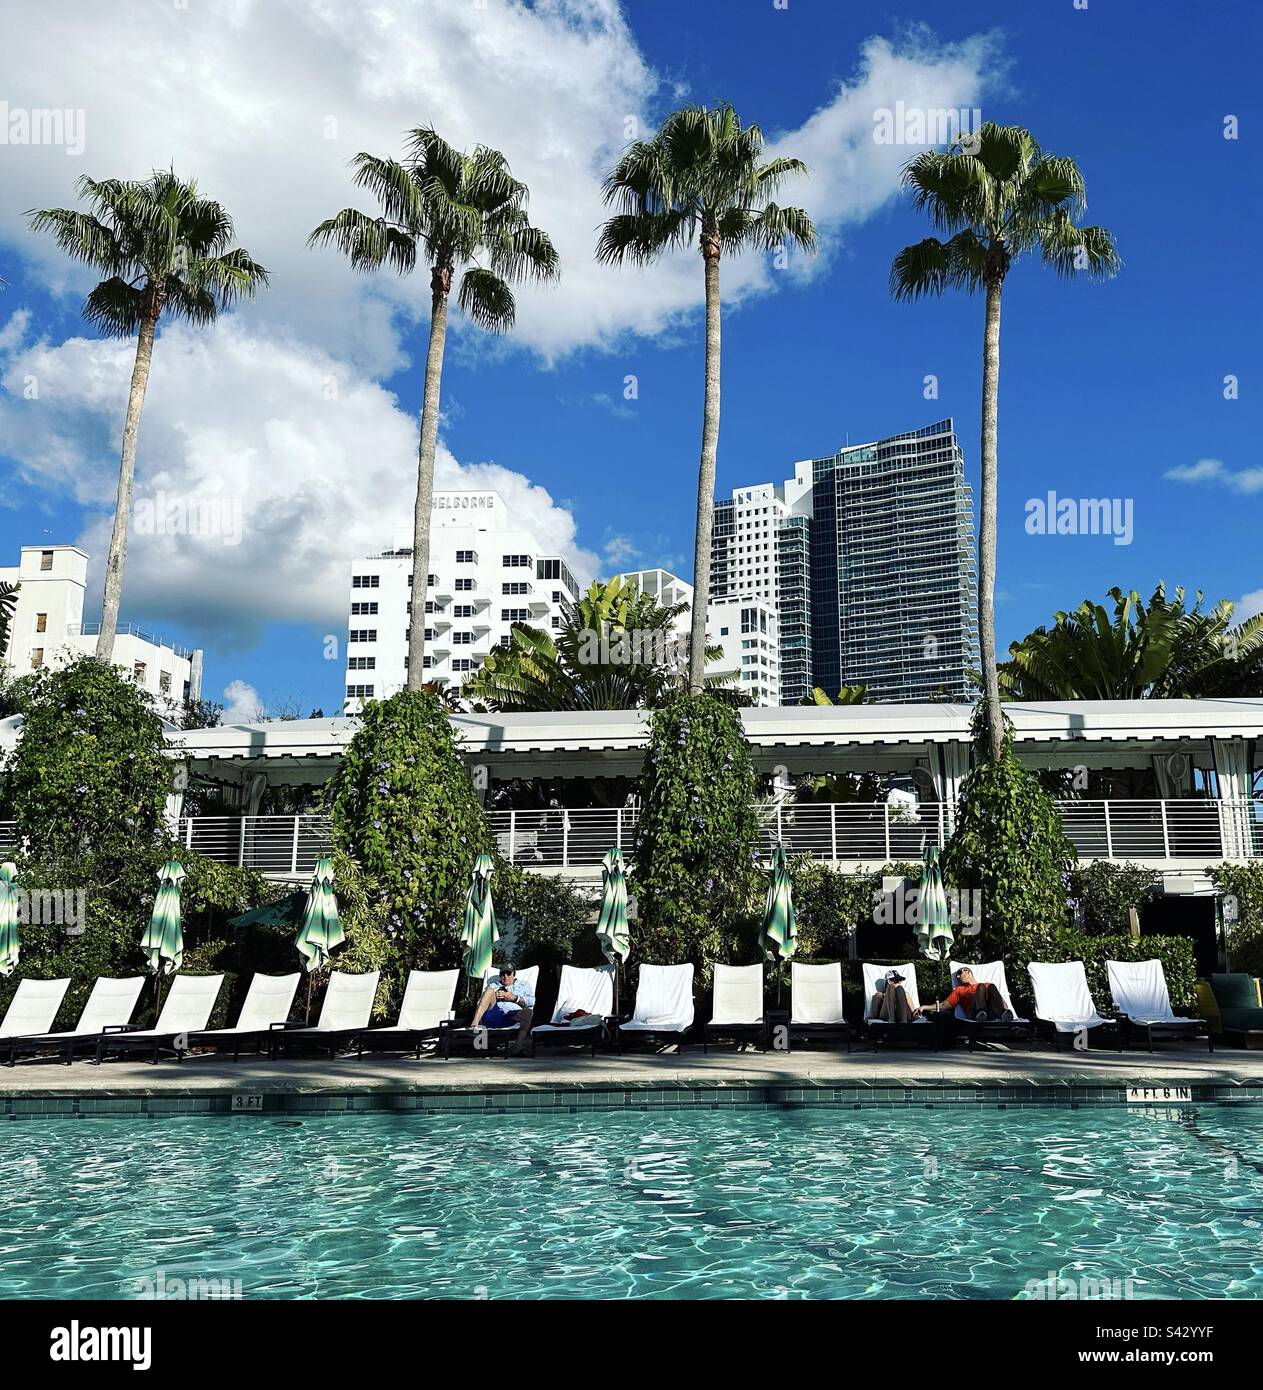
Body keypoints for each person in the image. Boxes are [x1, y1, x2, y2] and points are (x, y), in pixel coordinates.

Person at [470, 963, 535, 1055]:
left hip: (512, 1016)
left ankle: (518, 1046)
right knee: (489, 991)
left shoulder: (524, 985)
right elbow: (480, 1002)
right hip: (494, 1014)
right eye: (503, 974)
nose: (505, 977)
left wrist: (515, 998)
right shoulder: (493, 985)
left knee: (529, 1012)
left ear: (514, 974)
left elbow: (531, 1001)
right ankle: (474, 1025)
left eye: (508, 974)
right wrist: (494, 995)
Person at [924, 966, 1013, 1022]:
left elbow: (1001, 1001)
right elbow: (944, 1005)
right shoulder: (959, 990)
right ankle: (981, 1013)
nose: (958, 977)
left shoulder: (987, 985)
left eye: (959, 973)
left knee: (991, 986)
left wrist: (1004, 1008)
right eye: (957, 976)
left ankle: (1002, 1014)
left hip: (992, 1012)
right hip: (974, 1013)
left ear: (968, 971)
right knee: (981, 987)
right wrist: (924, 1007)